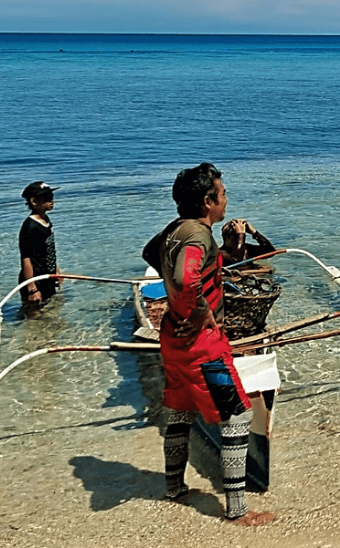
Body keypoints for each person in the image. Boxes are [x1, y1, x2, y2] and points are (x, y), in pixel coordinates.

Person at [141, 163, 275, 526]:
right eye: (223, 193)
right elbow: (187, 280)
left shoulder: (175, 229)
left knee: (180, 412)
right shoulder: (199, 236)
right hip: (202, 345)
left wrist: (181, 304)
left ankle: (174, 488)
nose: (226, 199)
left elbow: (150, 254)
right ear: (207, 202)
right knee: (237, 417)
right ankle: (237, 511)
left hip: (172, 338)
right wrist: (198, 311)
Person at [18, 181, 61, 308]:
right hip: (35, 279)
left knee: (51, 310)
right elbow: (26, 258)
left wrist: (56, 270)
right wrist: (32, 288)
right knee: (34, 313)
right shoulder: (30, 227)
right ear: (34, 201)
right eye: (47, 198)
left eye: (52, 197)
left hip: (48, 276)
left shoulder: (46, 220)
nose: (52, 200)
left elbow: (48, 250)